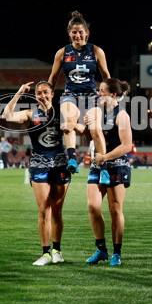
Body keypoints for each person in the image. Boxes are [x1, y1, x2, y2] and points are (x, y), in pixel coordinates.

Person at [3, 81, 71, 266]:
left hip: (60, 164)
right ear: (35, 96)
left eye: (46, 92)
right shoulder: (30, 114)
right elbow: (6, 115)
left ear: (52, 93)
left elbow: (74, 127)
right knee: (44, 210)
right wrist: (18, 92)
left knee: (57, 211)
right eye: (39, 93)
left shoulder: (62, 111)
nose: (42, 95)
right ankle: (46, 253)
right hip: (40, 164)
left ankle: (57, 251)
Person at [47, 11, 111, 181]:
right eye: (74, 32)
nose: (77, 35)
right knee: (68, 124)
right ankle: (73, 159)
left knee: (96, 129)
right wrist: (47, 98)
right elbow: (52, 79)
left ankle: (103, 167)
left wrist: (109, 96)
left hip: (91, 96)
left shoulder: (97, 51)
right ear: (69, 34)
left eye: (80, 32)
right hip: (70, 95)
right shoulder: (62, 53)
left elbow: (106, 76)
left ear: (87, 33)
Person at [83, 78, 132, 266]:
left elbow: (127, 146)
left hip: (117, 164)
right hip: (98, 164)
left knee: (115, 209)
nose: (99, 94)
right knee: (93, 206)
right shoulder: (96, 112)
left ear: (113, 94)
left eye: (103, 91)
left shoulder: (122, 115)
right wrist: (87, 127)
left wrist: (106, 157)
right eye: (99, 90)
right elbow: (92, 137)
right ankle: (101, 249)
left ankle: (116, 253)